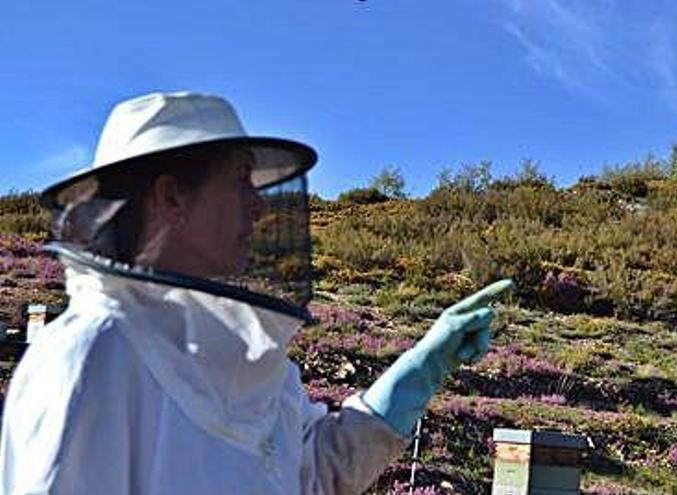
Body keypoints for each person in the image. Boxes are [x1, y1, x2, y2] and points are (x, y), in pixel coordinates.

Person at [0, 92, 512, 494]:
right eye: (240, 182)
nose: (259, 208)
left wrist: (415, 375)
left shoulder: (239, 358)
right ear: (171, 197)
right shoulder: (91, 355)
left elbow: (304, 473)